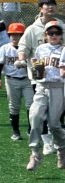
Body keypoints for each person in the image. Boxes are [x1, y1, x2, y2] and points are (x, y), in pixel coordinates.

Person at [17, 0, 63, 157]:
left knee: (58, 112)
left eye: (53, 4)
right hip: (39, 74)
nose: (50, 7)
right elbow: (23, 47)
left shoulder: (60, 25)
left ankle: (57, 140)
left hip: (58, 76)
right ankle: (46, 141)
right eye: (47, 5)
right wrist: (21, 59)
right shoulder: (32, 29)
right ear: (40, 8)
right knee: (40, 111)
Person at [25, 20, 65, 171]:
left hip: (58, 88)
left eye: (57, 33)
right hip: (41, 87)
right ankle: (35, 154)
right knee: (34, 118)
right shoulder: (40, 49)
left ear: (61, 35)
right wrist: (35, 70)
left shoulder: (64, 50)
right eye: (51, 32)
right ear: (46, 35)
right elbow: (37, 72)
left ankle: (61, 149)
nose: (54, 35)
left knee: (54, 124)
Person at [0, 23, 34, 141]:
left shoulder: (28, 48)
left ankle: (30, 129)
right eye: (12, 34)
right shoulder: (4, 48)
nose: (14, 37)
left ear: (23, 36)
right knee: (14, 107)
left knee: (31, 105)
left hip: (27, 80)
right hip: (11, 80)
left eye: (17, 35)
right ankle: (16, 132)